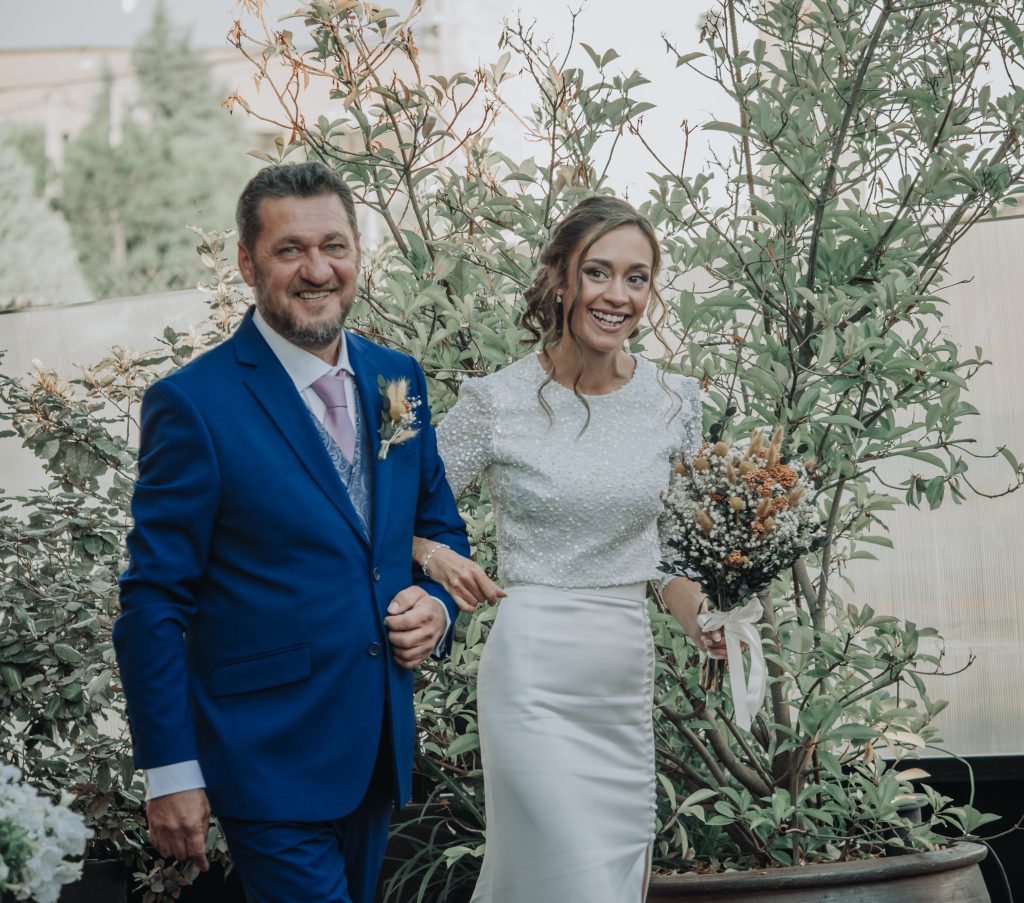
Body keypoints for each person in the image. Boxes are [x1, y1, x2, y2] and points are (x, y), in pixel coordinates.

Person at [112, 161, 470, 903]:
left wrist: (438, 608)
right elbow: (153, 599)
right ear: (247, 262)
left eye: (334, 246)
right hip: (264, 759)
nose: (317, 270)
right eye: (289, 250)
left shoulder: (396, 378)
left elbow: (437, 527)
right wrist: (171, 771)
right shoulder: (192, 404)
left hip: (376, 752)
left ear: (358, 254)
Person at [411, 195, 727, 902]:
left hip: (618, 673)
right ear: (561, 280)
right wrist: (434, 556)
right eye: (600, 273)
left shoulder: (676, 403)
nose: (619, 295)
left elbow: (672, 558)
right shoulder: (497, 401)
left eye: (638, 278)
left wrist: (707, 621)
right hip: (531, 674)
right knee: (563, 879)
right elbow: (386, 509)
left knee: (608, 883)